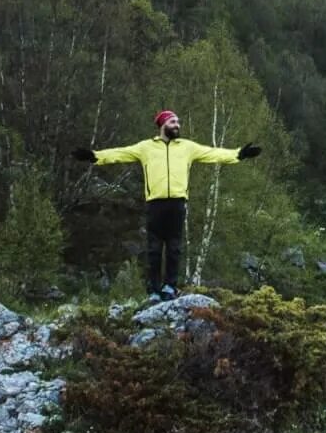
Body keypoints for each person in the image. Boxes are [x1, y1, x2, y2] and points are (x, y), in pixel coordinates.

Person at [77, 109, 262, 300]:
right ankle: (154, 291)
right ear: (163, 124)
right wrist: (94, 156)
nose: (177, 125)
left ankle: (170, 287)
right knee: (154, 249)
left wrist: (239, 154)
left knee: (174, 248)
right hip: (155, 204)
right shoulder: (145, 148)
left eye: (178, 122)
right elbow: (120, 153)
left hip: (177, 202)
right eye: (173, 122)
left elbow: (212, 153)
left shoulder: (187, 147)